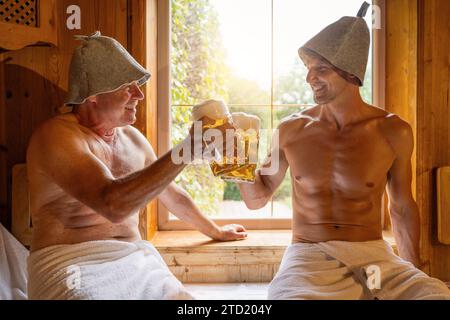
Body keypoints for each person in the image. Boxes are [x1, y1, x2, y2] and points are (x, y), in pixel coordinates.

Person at [238, 3, 450, 300]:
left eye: (321, 69)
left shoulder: (392, 131)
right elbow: (257, 199)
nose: (310, 78)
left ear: (351, 74)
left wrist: (413, 270)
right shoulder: (290, 131)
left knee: (433, 297)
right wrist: (235, 164)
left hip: (373, 259)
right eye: (308, 69)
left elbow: (401, 207)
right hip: (309, 259)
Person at [26, 31, 247, 300]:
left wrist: (216, 231)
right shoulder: (56, 137)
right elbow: (112, 205)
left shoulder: (134, 139)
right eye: (127, 86)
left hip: (134, 258)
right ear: (93, 95)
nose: (139, 95)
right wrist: (186, 150)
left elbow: (172, 195)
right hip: (70, 260)